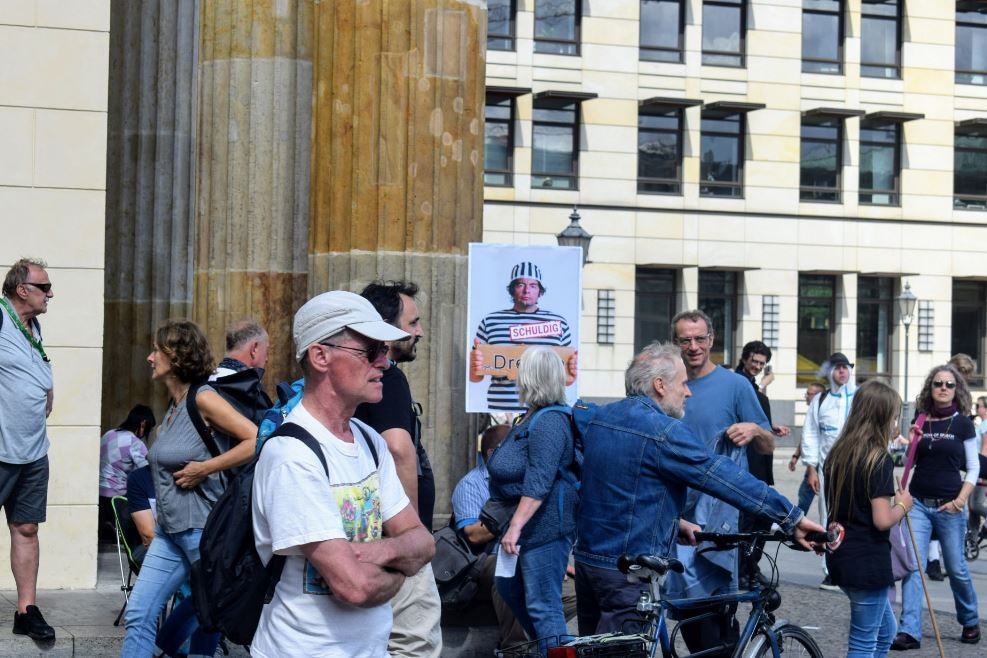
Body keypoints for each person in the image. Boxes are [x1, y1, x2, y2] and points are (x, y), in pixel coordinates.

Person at [574, 342, 825, 645]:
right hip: (629, 571)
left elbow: (619, 488)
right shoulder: (664, 431)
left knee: (593, 650)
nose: (688, 392)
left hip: (589, 563)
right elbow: (722, 476)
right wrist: (790, 517)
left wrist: (674, 522)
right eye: (683, 384)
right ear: (660, 386)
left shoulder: (601, 417)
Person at [251, 291, 434, 658]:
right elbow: (355, 587)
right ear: (320, 356)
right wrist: (402, 565)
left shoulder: (369, 440)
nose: (385, 362)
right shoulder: (291, 454)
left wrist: (372, 552)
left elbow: (424, 544)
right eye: (371, 351)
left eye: (385, 350)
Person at [120, 320, 259, 656]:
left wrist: (206, 468)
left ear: (176, 356)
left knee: (208, 608)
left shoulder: (204, 398)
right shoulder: (174, 407)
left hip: (202, 531)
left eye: (157, 351)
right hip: (169, 532)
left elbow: (256, 438)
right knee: (139, 613)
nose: (150, 358)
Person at [662, 311, 775, 654]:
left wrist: (754, 430)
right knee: (684, 607)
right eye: (685, 340)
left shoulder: (736, 385)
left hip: (718, 514)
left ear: (711, 340)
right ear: (675, 343)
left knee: (714, 605)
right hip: (673, 508)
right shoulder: (666, 383)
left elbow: (768, 443)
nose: (693, 347)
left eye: (700, 339)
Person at [354, 280, 441, 658]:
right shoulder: (388, 378)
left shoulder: (365, 381)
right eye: (413, 323)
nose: (419, 332)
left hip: (375, 537)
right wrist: (411, 533)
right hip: (397, 543)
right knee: (414, 643)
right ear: (385, 330)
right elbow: (398, 448)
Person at [487, 346, 578, 656]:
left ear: (530, 378)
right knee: (508, 586)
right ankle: (548, 647)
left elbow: (540, 479)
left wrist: (515, 527)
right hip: (527, 527)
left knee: (544, 604)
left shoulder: (551, 421)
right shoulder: (531, 417)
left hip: (545, 527)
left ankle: (555, 649)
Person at [452, 424, 577, 649]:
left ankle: (539, 638)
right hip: (486, 557)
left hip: (529, 549)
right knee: (508, 573)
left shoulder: (526, 479)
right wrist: (514, 516)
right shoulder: (471, 484)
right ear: (494, 453)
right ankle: (516, 647)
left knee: (577, 589)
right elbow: (473, 535)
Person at [893, 364, 982, 650]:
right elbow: (909, 463)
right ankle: (909, 630)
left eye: (949, 384)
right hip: (918, 504)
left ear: (957, 390)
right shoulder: (921, 420)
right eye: (938, 383)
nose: (943, 388)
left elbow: (973, 467)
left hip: (950, 506)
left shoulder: (963, 424)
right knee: (914, 567)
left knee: (956, 568)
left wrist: (960, 500)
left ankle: (970, 620)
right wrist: (912, 440)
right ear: (930, 387)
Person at [824, 379, 913, 658]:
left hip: (841, 555)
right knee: (863, 643)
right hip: (866, 561)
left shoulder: (838, 453)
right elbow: (882, 520)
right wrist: (904, 504)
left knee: (886, 632)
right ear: (882, 417)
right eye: (894, 417)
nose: (895, 423)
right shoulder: (878, 459)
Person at [0, 258, 56, 641]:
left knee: (26, 527)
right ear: (22, 290)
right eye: (44, 287)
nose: (51, 293)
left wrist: (47, 388)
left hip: (34, 450)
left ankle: (26, 611)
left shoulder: (32, 326)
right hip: (2, 449)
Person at [470, 261, 577, 411]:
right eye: (520, 285)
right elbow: (475, 377)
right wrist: (474, 365)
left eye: (533, 285)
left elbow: (566, 380)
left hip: (544, 410)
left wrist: (572, 373)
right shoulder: (490, 321)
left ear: (540, 291)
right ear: (512, 289)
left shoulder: (559, 323)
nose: (527, 291)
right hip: (502, 410)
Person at [734, 341, 789, 587]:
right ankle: (744, 570)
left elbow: (755, 419)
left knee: (762, 517)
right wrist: (765, 385)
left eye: (761, 363)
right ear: (745, 358)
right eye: (754, 361)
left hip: (759, 460)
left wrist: (770, 427)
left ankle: (749, 567)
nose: (757, 366)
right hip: (747, 462)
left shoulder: (752, 384)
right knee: (750, 519)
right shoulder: (738, 383)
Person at [801, 351, 856, 590]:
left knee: (856, 516)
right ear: (831, 372)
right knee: (828, 517)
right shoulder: (820, 401)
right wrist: (811, 468)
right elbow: (811, 434)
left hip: (857, 469)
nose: (842, 371)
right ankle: (830, 569)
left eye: (845, 367)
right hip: (828, 471)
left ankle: (853, 566)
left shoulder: (860, 398)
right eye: (837, 367)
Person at [98, 405, 155, 542]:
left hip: (98, 495)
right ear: (143, 424)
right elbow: (149, 472)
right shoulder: (135, 443)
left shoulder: (108, 434)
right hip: (117, 498)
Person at [789, 382, 825, 514]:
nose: (806, 396)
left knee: (806, 495)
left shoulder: (823, 413)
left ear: (817, 396)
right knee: (805, 495)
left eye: (808, 394)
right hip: (813, 463)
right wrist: (795, 456)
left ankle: (797, 521)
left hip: (819, 462)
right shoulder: (811, 411)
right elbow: (806, 438)